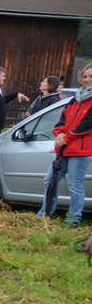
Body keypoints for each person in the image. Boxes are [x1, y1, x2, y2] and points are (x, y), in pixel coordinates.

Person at [46, 63, 92, 225]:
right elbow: (62, 120)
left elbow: (86, 125)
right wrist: (59, 134)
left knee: (74, 185)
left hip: (80, 150)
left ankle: (73, 218)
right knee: (50, 180)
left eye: (90, 76)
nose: (87, 79)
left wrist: (67, 137)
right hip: (64, 148)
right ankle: (45, 213)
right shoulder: (75, 99)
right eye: (85, 76)